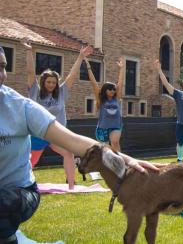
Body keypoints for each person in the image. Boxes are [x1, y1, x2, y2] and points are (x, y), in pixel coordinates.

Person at [0, 46, 161, 244]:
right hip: (37, 140)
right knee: (33, 160)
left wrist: (126, 160)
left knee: (66, 155)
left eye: (2, 66)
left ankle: (70, 185)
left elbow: (77, 142)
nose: (1, 74)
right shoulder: (37, 92)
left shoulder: (21, 107)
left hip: (19, 191)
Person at [22, 39, 93, 190]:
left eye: (54, 82)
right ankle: (23, 185)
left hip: (56, 133)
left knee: (68, 153)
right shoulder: (34, 91)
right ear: (43, 82)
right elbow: (29, 72)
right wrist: (28, 51)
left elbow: (71, 77)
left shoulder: (60, 93)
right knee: (30, 162)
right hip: (37, 133)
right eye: (48, 82)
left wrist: (80, 57)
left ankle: (72, 187)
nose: (51, 85)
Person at [85, 57, 125, 152]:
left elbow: (120, 83)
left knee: (115, 142)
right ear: (105, 90)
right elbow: (94, 84)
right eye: (110, 89)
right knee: (104, 150)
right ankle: (105, 165)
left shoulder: (116, 98)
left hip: (116, 126)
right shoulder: (101, 100)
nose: (112, 91)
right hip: (102, 129)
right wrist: (88, 66)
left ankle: (119, 163)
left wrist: (122, 68)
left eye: (113, 89)